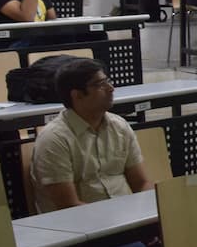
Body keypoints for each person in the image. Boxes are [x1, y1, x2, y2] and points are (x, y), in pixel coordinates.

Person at [30, 59, 151, 214]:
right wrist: (117, 221)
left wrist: (151, 213)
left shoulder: (119, 126)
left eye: (108, 81)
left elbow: (141, 183)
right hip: (82, 228)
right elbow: (68, 206)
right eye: (100, 84)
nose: (111, 88)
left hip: (127, 218)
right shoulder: (54, 139)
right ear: (77, 95)